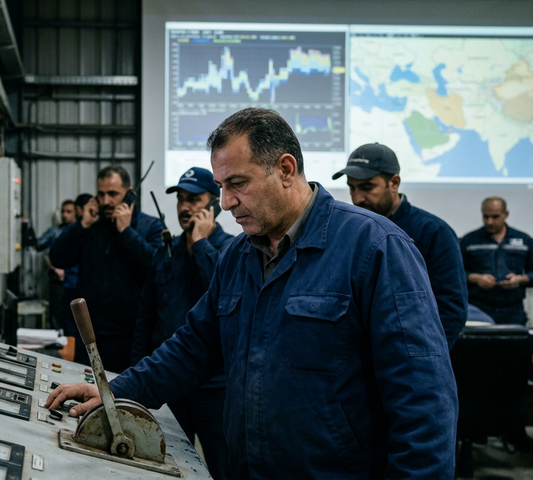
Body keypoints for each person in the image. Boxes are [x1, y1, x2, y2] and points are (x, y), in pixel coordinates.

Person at [47, 108, 458, 478]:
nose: (225, 203)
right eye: (222, 186)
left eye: (237, 184)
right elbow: (194, 346)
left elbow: (424, 402)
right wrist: (117, 390)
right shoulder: (238, 256)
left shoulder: (375, 248)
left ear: (285, 168)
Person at [131, 167, 233, 480]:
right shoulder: (166, 251)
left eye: (194, 199)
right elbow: (146, 315)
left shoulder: (232, 251)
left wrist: (201, 243)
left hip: (215, 388)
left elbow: (225, 295)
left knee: (223, 467)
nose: (186, 207)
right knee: (166, 467)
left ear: (214, 204)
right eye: (181, 200)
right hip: (170, 384)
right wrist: (133, 366)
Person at [332, 143, 468, 349]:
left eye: (368, 187)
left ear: (394, 183)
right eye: (352, 188)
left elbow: (451, 309)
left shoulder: (434, 232)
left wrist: (426, 360)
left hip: (412, 356)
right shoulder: (347, 231)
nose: (357, 198)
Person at [50, 166, 163, 373]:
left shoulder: (150, 226)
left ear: (129, 194)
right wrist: (82, 225)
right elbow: (58, 258)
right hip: (90, 338)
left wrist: (126, 232)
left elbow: (158, 269)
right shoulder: (92, 225)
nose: (105, 202)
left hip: (131, 340)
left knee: (124, 401)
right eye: (101, 194)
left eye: (112, 194)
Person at [460, 197, 533, 325]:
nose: (489, 222)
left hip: (513, 311)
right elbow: (455, 273)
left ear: (506, 214)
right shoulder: (469, 241)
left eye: (495, 217)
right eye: (485, 216)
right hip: (478, 309)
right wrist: (475, 278)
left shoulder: (524, 240)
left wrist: (520, 279)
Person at [35, 200, 76, 330]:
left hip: (75, 280)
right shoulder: (54, 231)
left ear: (76, 212)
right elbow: (38, 247)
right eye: (63, 211)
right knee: (57, 316)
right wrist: (53, 266)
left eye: (69, 212)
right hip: (57, 280)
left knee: (73, 317)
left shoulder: (81, 232)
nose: (64, 215)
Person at [58, 193, 93, 337]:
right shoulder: (72, 232)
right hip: (72, 285)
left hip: (81, 287)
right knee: (71, 328)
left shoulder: (91, 230)